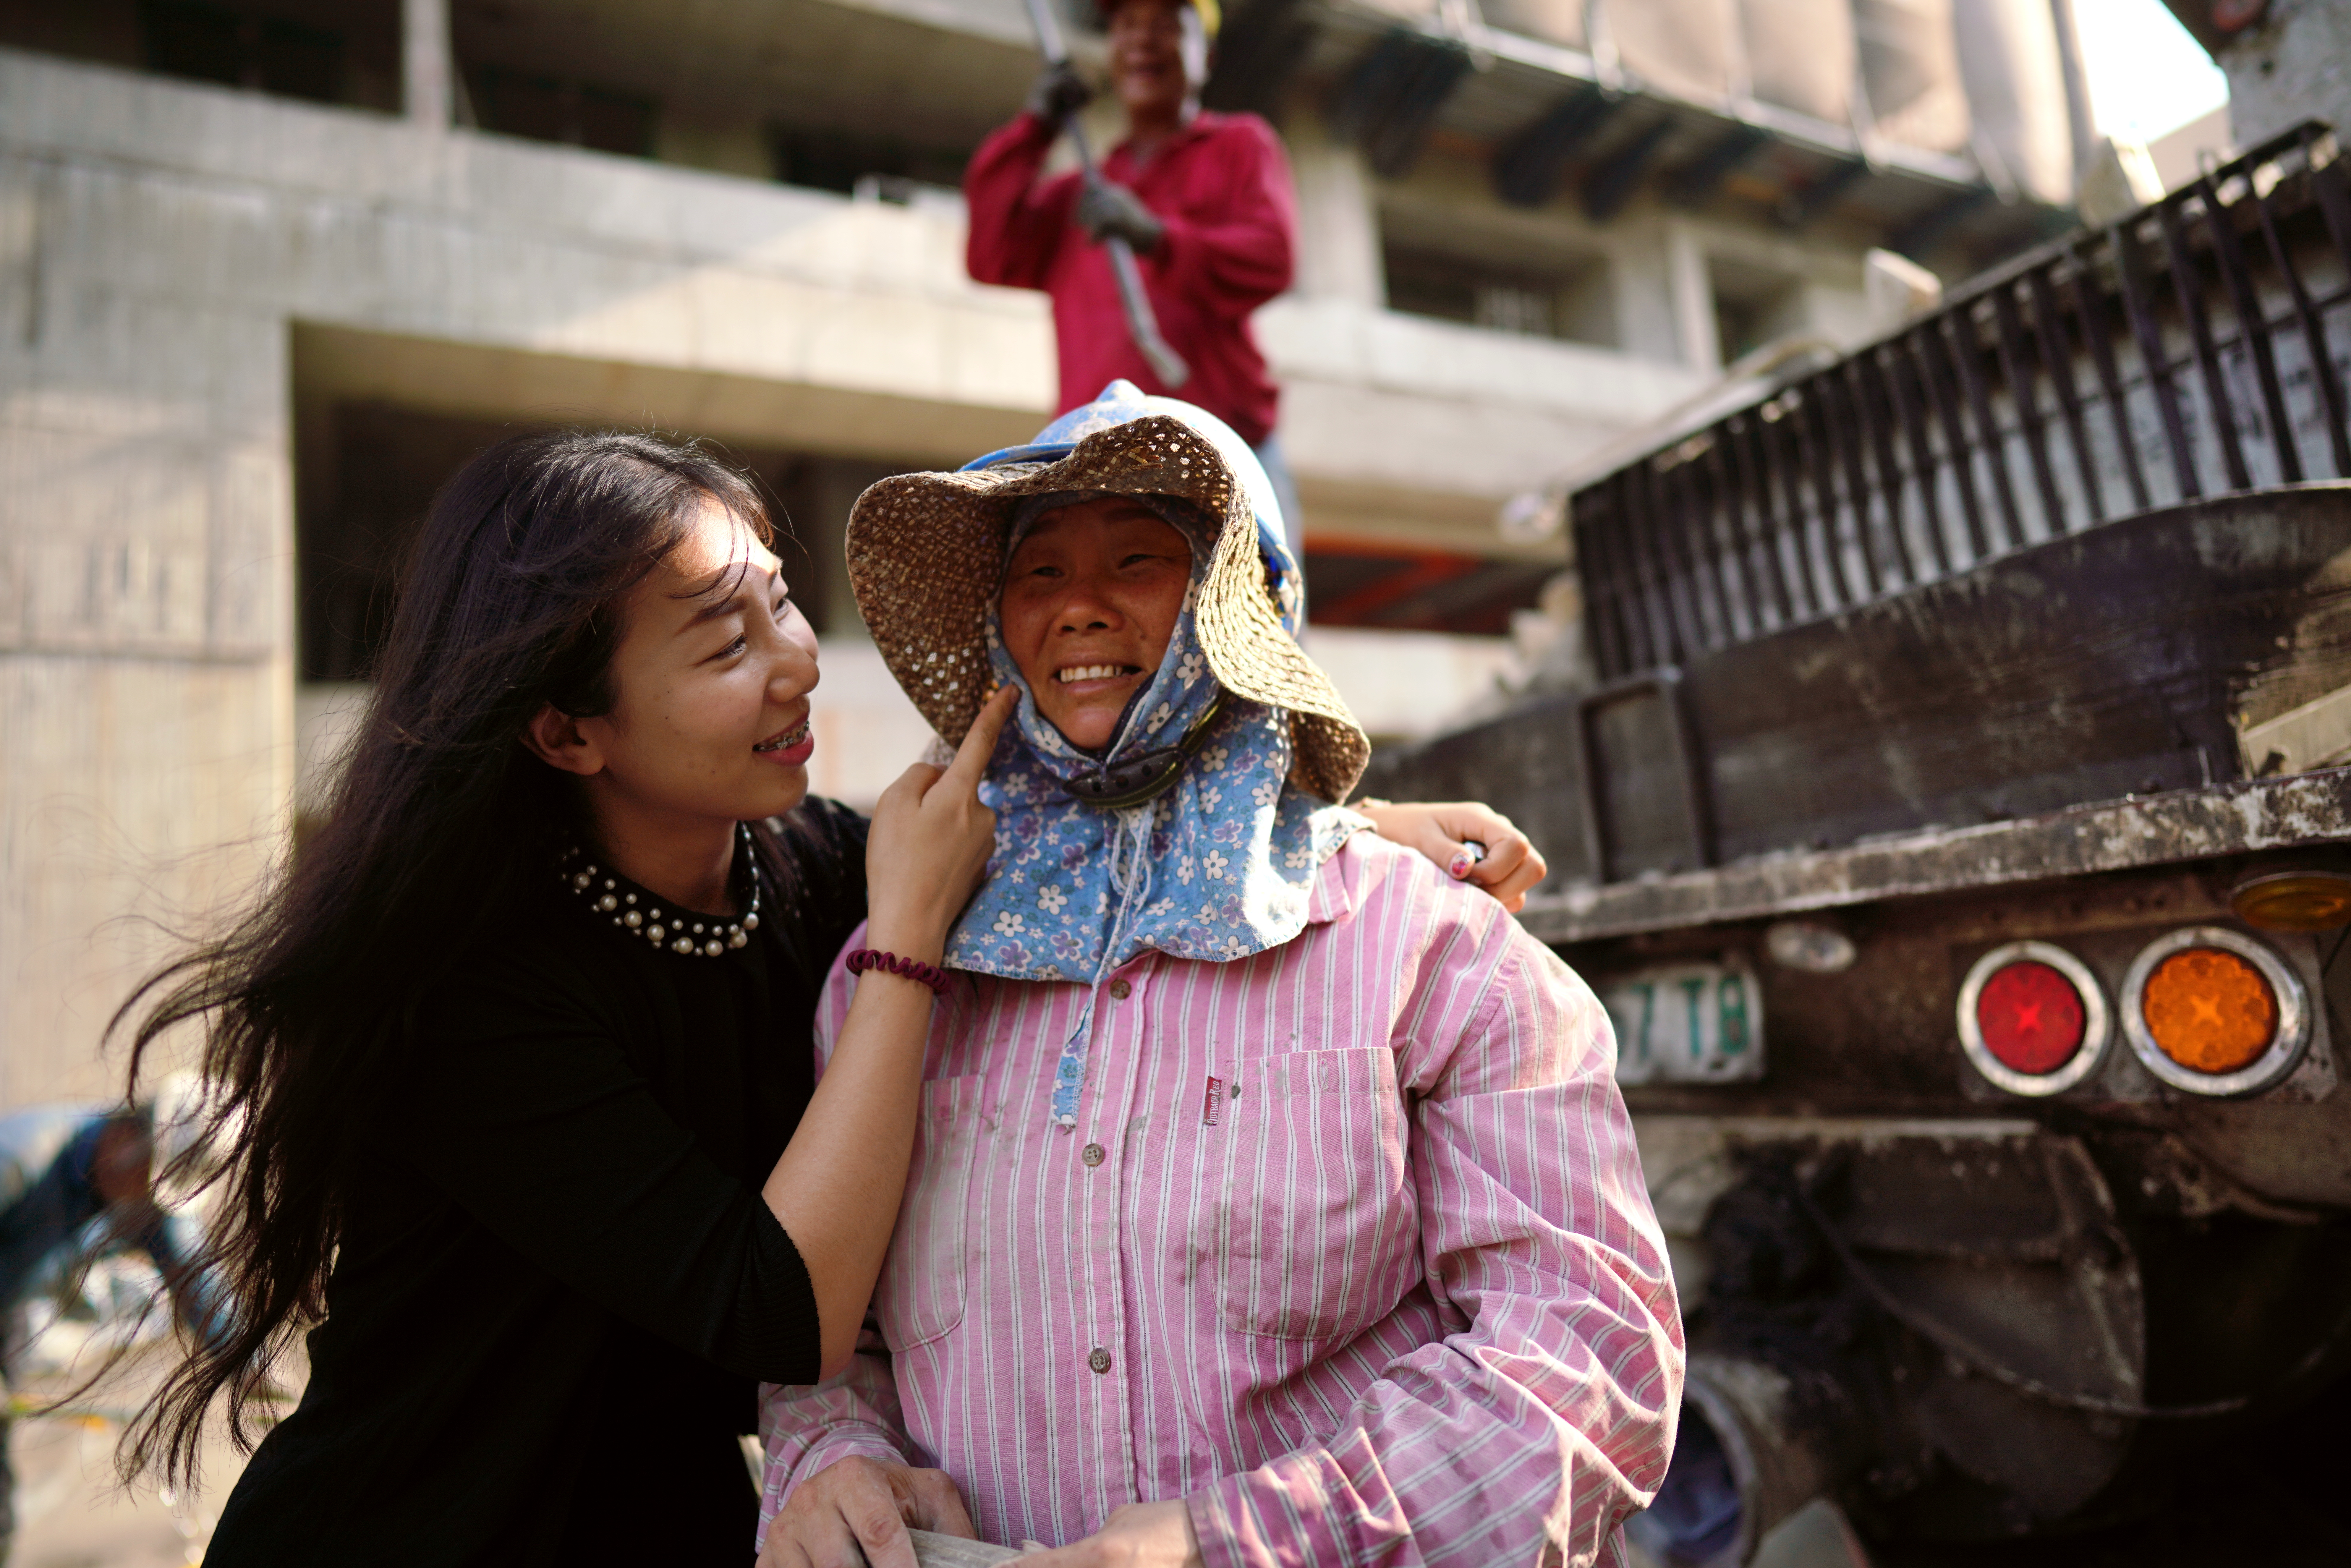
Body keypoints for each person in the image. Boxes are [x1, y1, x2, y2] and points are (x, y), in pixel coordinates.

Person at [107, 427, 1538, 1566]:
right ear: (567, 728)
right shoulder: (478, 997)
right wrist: (907, 946)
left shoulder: (803, 862)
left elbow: (1086, 847)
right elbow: (781, 1313)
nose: (797, 659)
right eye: (725, 644)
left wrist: (1342, 831)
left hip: (670, 1529)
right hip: (429, 1530)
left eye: (781, 597)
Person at [754, 383, 1684, 1568]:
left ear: (1229, 604)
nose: (1078, 607)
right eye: (1037, 574)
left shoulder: (1426, 950)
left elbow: (1585, 1358)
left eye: (1138, 560)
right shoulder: (895, 969)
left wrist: (1231, 1545)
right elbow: (828, 1338)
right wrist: (830, 1461)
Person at [965, 0, 1307, 539]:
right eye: (1127, 26)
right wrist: (1034, 128)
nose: (1143, 40)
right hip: (1096, 467)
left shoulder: (1239, 145)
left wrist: (1156, 237)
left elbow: (1272, 256)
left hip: (1223, 456)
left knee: (1257, 623)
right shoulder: (1082, 193)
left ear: (1207, 54)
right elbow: (991, 252)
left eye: (1167, 26)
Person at [0, 1102, 221, 1563]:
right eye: (146, 1184)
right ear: (125, 1139)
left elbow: (198, 1281)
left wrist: (252, 1369)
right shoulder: (23, 1158)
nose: (147, 1204)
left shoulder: (142, 1201)